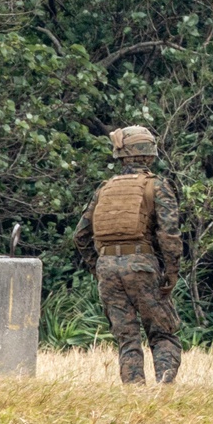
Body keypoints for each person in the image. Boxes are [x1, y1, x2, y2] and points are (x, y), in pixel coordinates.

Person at [73, 126, 183, 384]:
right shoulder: (157, 186)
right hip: (142, 266)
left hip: (107, 269)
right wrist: (171, 272)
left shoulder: (104, 188)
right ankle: (163, 392)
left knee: (127, 339)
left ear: (120, 155)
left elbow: (80, 236)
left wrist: (98, 266)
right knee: (163, 333)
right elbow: (169, 235)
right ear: (150, 154)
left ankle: (134, 395)